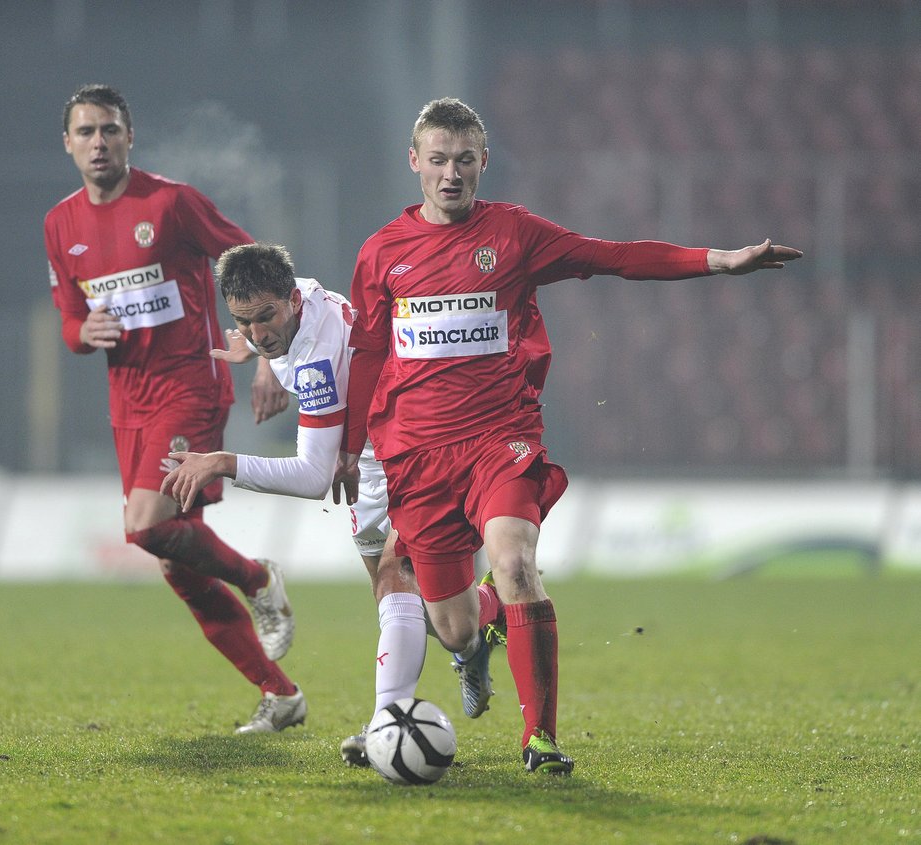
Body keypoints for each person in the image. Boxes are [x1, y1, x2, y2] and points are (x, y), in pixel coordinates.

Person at [337, 97, 803, 775]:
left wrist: (716, 260)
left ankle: (541, 737)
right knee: (455, 628)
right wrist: (350, 446)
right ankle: (487, 624)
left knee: (517, 562)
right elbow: (372, 353)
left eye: (464, 160)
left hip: (500, 438)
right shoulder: (382, 253)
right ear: (414, 162)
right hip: (418, 454)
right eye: (437, 160)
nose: (451, 174)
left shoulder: (515, 233)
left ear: (483, 162)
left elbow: (612, 256)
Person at [158, 243, 503, 765]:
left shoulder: (316, 359)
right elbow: (286, 332)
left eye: (265, 318)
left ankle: (387, 722)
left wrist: (222, 462)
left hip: (408, 452)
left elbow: (312, 476)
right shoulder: (305, 302)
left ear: (291, 301)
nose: (257, 332)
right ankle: (475, 639)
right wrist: (260, 359)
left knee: (398, 582)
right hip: (365, 463)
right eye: (243, 322)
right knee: (422, 612)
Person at [43, 84, 304, 735]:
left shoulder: (172, 204)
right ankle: (280, 694)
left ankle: (257, 575)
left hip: (191, 382)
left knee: (145, 524)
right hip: (127, 400)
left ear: (130, 137)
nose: (98, 142)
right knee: (175, 564)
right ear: (68, 143)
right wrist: (85, 333)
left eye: (110, 130)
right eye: (86, 132)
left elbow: (256, 268)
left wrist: (268, 355)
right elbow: (69, 321)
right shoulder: (60, 226)